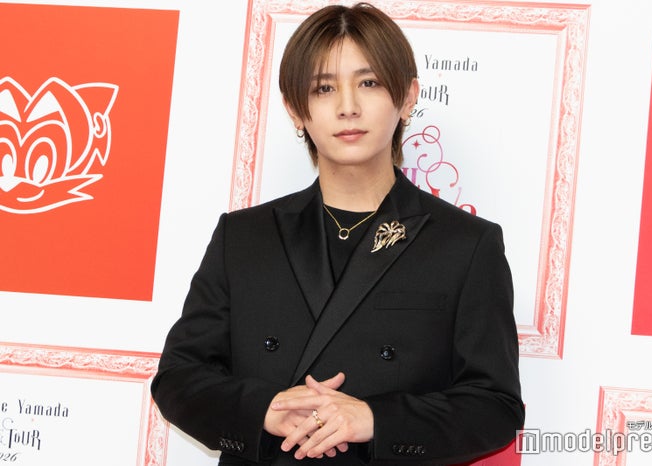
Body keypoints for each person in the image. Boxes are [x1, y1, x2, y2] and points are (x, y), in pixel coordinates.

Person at [151, 3, 524, 465]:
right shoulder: (243, 237)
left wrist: (375, 419)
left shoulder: (466, 245)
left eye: (369, 83)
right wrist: (266, 409)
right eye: (324, 88)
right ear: (295, 109)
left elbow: (495, 407)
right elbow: (178, 378)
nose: (348, 107)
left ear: (408, 97)